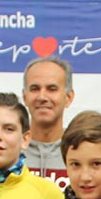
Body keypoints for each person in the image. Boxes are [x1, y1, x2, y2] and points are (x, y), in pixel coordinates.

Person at [22, 55, 75, 189]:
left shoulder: (79, 150)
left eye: (52, 89)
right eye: (35, 89)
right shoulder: (8, 151)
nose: (42, 97)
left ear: (68, 97)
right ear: (24, 97)